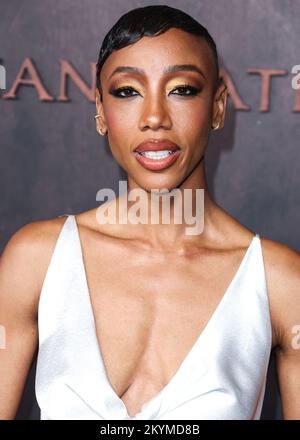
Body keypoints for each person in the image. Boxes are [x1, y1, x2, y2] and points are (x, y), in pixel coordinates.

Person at [0, 4, 300, 421]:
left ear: (217, 107)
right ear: (102, 112)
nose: (155, 118)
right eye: (127, 92)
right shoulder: (35, 259)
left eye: (182, 89)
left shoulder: (281, 283)